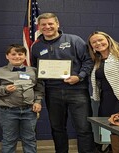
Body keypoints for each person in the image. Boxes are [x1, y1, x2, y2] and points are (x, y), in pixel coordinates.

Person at [31, 13, 96, 153]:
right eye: (43, 24)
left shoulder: (74, 40)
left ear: (57, 24)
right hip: (52, 93)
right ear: (39, 27)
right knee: (57, 128)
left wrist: (79, 77)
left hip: (77, 91)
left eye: (50, 23)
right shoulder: (36, 47)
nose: (47, 27)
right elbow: (36, 70)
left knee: (84, 128)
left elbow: (89, 60)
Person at [0, 44, 44, 153]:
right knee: (9, 140)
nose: (17, 56)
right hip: (8, 111)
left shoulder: (33, 71)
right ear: (7, 56)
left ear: (25, 56)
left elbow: (39, 89)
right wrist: (5, 89)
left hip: (29, 111)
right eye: (13, 54)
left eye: (20, 54)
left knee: (30, 139)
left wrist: (37, 101)